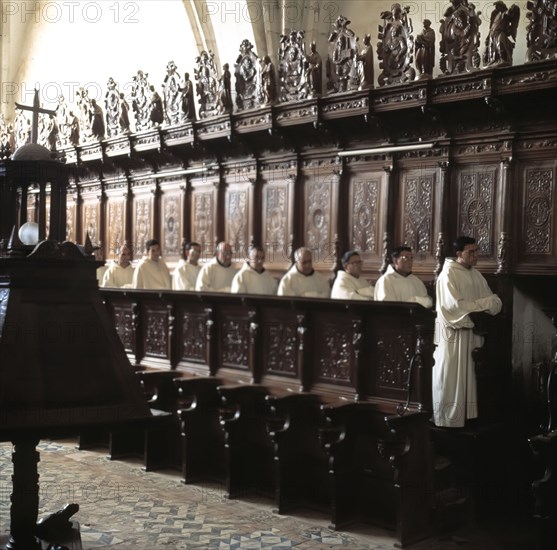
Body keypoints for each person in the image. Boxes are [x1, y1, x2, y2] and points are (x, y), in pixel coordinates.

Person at [432, 236, 502, 428]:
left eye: (476, 250)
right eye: (470, 252)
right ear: (458, 254)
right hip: (454, 336)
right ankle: (448, 421)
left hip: (473, 334)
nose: (475, 255)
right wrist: (482, 305)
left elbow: (496, 304)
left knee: (470, 379)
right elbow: (455, 307)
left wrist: (478, 306)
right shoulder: (448, 275)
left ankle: (467, 419)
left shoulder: (476, 275)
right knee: (451, 378)